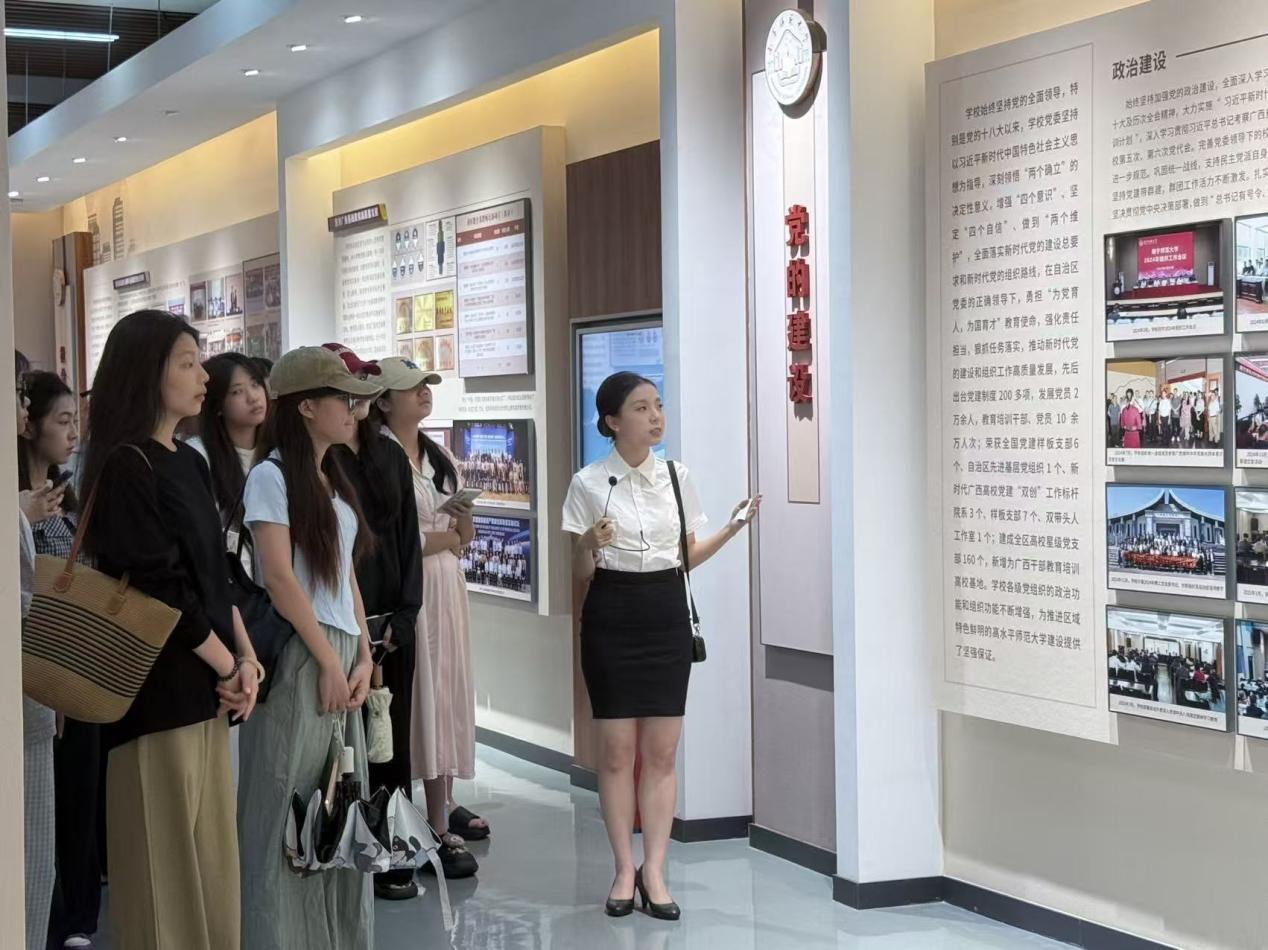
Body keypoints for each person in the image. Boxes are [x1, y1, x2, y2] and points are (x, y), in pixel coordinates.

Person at [79, 311, 260, 950]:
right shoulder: (125, 465)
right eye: (187, 362)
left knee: (212, 874)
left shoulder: (189, 460)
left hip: (208, 693)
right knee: (163, 883)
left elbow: (215, 576)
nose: (203, 376)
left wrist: (245, 659)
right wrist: (228, 665)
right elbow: (161, 591)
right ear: (147, 372)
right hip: (153, 697)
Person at [561, 371, 760, 920]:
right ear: (611, 421)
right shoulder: (587, 483)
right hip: (611, 613)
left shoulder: (676, 476)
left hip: (667, 612)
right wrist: (587, 543)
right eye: (641, 408)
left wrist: (732, 528)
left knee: (663, 753)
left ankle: (655, 870)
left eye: (658, 406)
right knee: (616, 752)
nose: (655, 417)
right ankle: (623, 869)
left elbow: (685, 557)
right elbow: (580, 573)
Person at [237, 347, 381, 949]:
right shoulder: (271, 477)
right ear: (305, 407)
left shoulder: (331, 478)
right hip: (304, 652)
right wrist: (327, 659)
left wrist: (365, 656)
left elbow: (344, 577)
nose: (353, 410)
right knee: (285, 804)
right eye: (341, 399)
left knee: (337, 806)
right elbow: (278, 577)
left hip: (338, 651)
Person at [373, 357, 482, 879]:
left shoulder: (440, 456)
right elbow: (396, 544)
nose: (423, 393)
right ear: (383, 400)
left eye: (426, 385)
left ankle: (440, 817)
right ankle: (404, 818)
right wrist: (448, 537)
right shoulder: (378, 457)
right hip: (410, 590)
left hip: (447, 588)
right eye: (411, 387)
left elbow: (465, 537)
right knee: (415, 698)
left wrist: (459, 529)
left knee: (446, 694)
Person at [324, 344, 425, 901]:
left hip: (393, 624)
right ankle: (346, 853)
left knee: (393, 746)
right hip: (345, 624)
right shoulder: (323, 461)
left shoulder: (388, 454)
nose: (357, 399)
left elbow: (408, 540)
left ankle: (393, 854)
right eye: (347, 389)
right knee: (345, 749)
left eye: (363, 387)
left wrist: (408, 613)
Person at [16, 371, 97, 950]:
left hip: (78, 659)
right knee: (44, 802)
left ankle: (77, 916)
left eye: (76, 422)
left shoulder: (67, 496)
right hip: (37, 668)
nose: (73, 433)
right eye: (62, 421)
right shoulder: (22, 505)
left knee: (77, 795)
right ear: (30, 426)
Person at [185, 353, 268, 522]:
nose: (253, 397)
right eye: (237, 391)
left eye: (255, 384)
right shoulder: (199, 455)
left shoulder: (277, 448)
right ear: (218, 405)